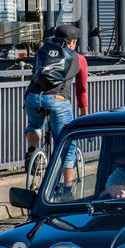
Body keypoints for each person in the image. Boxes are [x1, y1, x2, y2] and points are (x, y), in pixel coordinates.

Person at [24, 23, 88, 193]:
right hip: (57, 99)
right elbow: (81, 90)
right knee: (68, 144)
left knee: (34, 125)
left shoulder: (42, 51)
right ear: (72, 42)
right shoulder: (78, 59)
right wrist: (84, 114)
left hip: (32, 97)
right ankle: (67, 188)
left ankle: (33, 152)